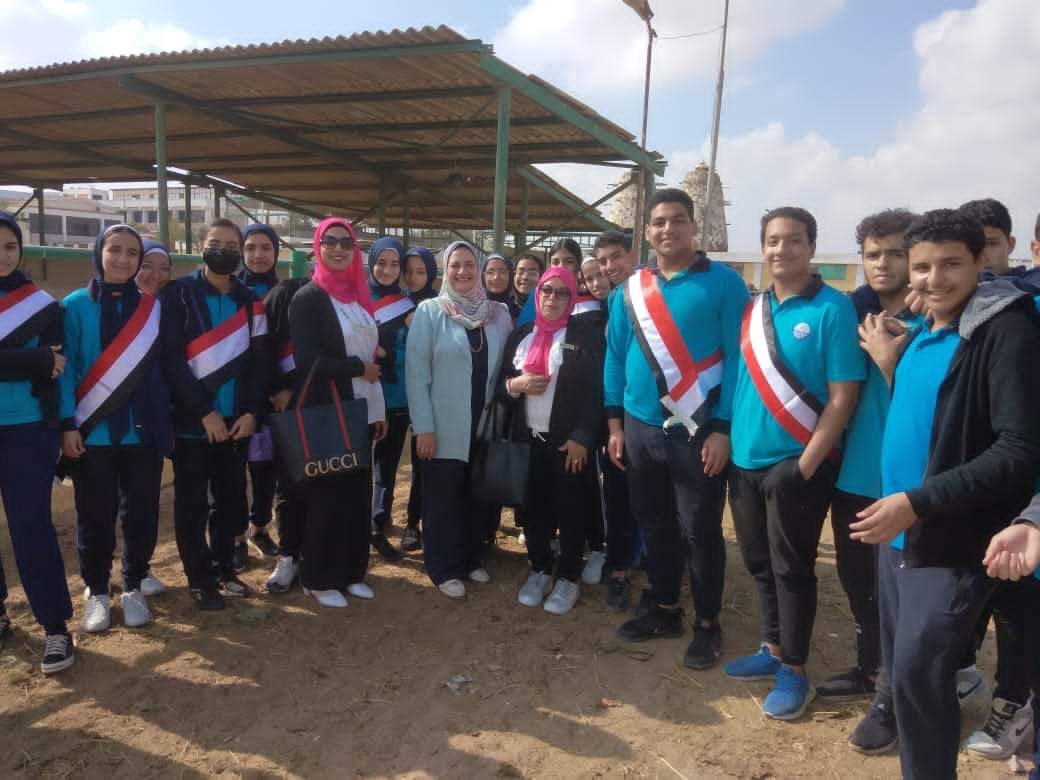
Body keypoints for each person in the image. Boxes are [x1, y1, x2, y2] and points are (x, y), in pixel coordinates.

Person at [848, 209, 1040, 779]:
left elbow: (1017, 449)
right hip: (899, 534)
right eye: (923, 267)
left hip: (951, 537)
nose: (935, 279)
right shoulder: (925, 331)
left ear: (981, 261)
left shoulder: (1004, 331)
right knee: (906, 673)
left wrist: (917, 502)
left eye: (951, 264)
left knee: (918, 673)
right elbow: (936, 414)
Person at [725, 207, 863, 720]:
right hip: (745, 461)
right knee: (759, 563)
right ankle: (773, 647)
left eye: (793, 240)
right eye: (773, 241)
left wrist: (803, 466)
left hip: (797, 466)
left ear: (811, 247)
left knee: (792, 569)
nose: (781, 249)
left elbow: (843, 397)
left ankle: (795, 670)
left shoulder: (833, 309)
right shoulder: (753, 309)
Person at [605, 189, 749, 671]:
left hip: (698, 428)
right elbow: (615, 358)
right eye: (660, 222)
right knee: (655, 523)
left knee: (700, 530)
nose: (669, 229)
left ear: (693, 226)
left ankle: (708, 623)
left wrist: (722, 427)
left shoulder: (725, 283)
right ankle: (665, 607)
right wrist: (614, 424)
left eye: (678, 220)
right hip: (639, 427)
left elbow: (739, 360)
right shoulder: (630, 289)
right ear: (647, 231)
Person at [818, 209, 917, 704]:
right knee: (858, 583)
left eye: (896, 253)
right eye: (873, 254)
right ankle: (870, 669)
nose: (883, 263)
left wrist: (891, 357)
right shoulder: (854, 316)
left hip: (912, 485)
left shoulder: (940, 322)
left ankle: (902, 690)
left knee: (907, 596)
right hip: (856, 475)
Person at [59, 224, 171, 633]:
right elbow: (67, 370)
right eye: (115, 250)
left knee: (142, 512)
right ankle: (97, 590)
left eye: (131, 252)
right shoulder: (74, 305)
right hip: (94, 432)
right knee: (95, 515)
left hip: (143, 432)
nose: (123, 259)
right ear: (99, 253)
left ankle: (133, 584)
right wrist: (67, 424)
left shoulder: (152, 308)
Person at [162, 218, 269, 609]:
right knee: (191, 504)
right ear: (201, 246)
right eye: (215, 244)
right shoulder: (178, 294)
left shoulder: (250, 301)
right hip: (193, 423)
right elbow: (172, 361)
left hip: (236, 423)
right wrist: (204, 411)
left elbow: (260, 363)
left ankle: (224, 569)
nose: (223, 251)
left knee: (229, 500)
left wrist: (252, 412)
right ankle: (199, 578)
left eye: (231, 246)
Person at [286, 217, 386, 608]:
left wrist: (377, 410)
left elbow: (370, 355)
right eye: (331, 241)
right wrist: (358, 368)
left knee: (357, 496)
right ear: (318, 246)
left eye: (347, 242)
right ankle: (317, 577)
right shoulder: (308, 298)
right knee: (327, 497)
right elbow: (308, 361)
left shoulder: (358, 296)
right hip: (329, 411)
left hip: (362, 409)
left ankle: (351, 572)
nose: (339, 248)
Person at [406, 240, 511, 598]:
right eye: (455, 265)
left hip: (484, 423)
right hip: (443, 425)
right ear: (445, 270)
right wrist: (423, 427)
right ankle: (443, 567)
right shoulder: (430, 311)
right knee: (442, 498)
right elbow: (416, 374)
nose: (463, 271)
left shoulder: (497, 314)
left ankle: (470, 558)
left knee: (475, 494)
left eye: (469, 264)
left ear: (479, 269)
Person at [497, 266, 603, 614]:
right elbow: (500, 388)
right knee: (534, 510)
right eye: (547, 290)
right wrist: (516, 385)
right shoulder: (522, 334)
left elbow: (596, 393)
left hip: (568, 445)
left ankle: (569, 576)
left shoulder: (585, 336)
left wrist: (583, 437)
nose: (553, 298)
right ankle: (540, 568)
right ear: (537, 293)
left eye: (562, 293)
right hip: (527, 441)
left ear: (572, 299)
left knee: (571, 510)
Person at [0, 211, 75, 674]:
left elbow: (58, 366)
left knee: (31, 528)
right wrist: (31, 360)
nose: (3, 256)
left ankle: (55, 626)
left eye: (10, 246)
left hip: (29, 430)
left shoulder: (43, 306)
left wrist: (40, 362)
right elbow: (43, 363)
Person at [592, 230, 641, 611]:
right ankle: (620, 568)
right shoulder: (614, 300)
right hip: (623, 415)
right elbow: (615, 362)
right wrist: (614, 424)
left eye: (616, 257)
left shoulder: (655, 292)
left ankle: (661, 571)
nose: (610, 267)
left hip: (665, 417)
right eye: (603, 261)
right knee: (620, 495)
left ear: (633, 254)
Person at [232, 224, 283, 567]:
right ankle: (235, 537)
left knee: (266, 469)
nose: (258, 255)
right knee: (232, 473)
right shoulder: (229, 291)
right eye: (250, 248)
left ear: (276, 252)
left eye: (266, 248)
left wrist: (282, 388)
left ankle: (259, 527)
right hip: (234, 397)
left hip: (271, 399)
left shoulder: (285, 291)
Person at [262, 260, 312, 594]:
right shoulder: (284, 293)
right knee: (289, 486)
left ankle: (313, 554)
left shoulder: (344, 299)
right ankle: (288, 554)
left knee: (321, 485)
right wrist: (278, 388)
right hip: (287, 409)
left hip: (326, 405)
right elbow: (263, 350)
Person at [367, 236, 413, 562]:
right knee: (356, 463)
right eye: (381, 263)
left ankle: (377, 523)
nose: (387, 270)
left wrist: (387, 354)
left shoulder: (407, 307)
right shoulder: (354, 301)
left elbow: (416, 352)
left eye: (394, 264)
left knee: (386, 465)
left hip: (395, 397)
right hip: (359, 394)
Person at [132, 239, 173, 597]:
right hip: (107, 422)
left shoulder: (169, 310)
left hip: (153, 421)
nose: (155, 275)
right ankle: (98, 577)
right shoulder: (105, 305)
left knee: (144, 502)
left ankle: (139, 568)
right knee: (100, 507)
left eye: (164, 268)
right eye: (147, 265)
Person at [400, 246, 438, 553]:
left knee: (428, 463)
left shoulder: (439, 306)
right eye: (409, 272)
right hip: (396, 397)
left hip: (430, 396)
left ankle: (431, 523)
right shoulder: (395, 304)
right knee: (414, 465)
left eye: (421, 272)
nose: (414, 278)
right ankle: (411, 523)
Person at [483, 253, 520, 321]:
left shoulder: (519, 313)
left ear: (510, 276)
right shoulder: (471, 310)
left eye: (503, 272)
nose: (496, 277)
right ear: (483, 276)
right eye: (490, 272)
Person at [513, 252, 545, 327]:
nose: (525, 277)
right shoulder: (502, 308)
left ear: (542, 277)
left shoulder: (547, 308)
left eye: (532, 273)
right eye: (520, 272)